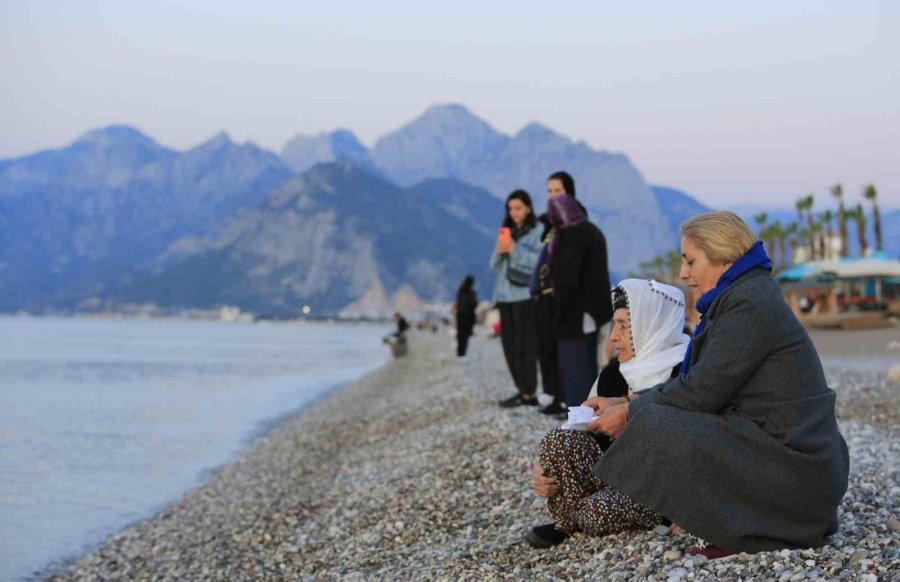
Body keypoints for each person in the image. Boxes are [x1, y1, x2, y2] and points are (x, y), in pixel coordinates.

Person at [588, 211, 848, 557]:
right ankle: (731, 522)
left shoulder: (749, 303)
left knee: (654, 422)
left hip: (799, 470)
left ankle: (750, 530)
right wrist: (625, 404)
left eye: (690, 261)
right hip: (792, 458)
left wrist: (631, 411)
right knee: (653, 417)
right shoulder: (742, 296)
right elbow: (700, 384)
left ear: (723, 257)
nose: (683, 274)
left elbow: (701, 392)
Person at [527, 279, 690, 547]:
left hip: (660, 488)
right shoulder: (614, 374)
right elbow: (578, 428)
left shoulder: (687, 371)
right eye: (616, 325)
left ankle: (579, 515)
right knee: (557, 440)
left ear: (653, 327)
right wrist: (547, 471)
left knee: (597, 512)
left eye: (625, 326)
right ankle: (567, 523)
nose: (614, 337)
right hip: (614, 476)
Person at [546, 193, 613, 410]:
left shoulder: (571, 235)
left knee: (574, 365)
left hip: (576, 315)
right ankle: (587, 412)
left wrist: (559, 311)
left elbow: (568, 278)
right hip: (595, 311)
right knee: (586, 364)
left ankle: (578, 416)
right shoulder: (592, 231)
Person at [530, 171, 581, 416]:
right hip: (544, 296)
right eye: (549, 191)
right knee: (547, 349)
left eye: (557, 191)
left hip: (559, 296)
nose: (552, 196)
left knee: (562, 351)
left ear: (569, 193)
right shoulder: (550, 224)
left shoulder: (573, 221)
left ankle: (565, 400)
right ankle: (553, 395)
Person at [491, 190, 543, 407]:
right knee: (509, 346)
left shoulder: (538, 231)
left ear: (528, 208)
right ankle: (521, 389)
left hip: (524, 296)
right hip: (504, 296)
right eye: (510, 209)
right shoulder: (508, 231)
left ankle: (529, 392)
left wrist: (515, 249)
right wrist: (501, 248)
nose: (514, 213)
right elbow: (493, 265)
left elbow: (538, 262)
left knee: (525, 346)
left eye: (518, 208)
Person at [454, 275, 478, 357]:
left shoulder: (460, 290)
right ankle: (463, 352)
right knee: (465, 335)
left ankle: (459, 351)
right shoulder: (471, 293)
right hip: (468, 316)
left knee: (460, 334)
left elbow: (458, 303)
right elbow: (475, 304)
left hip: (460, 316)